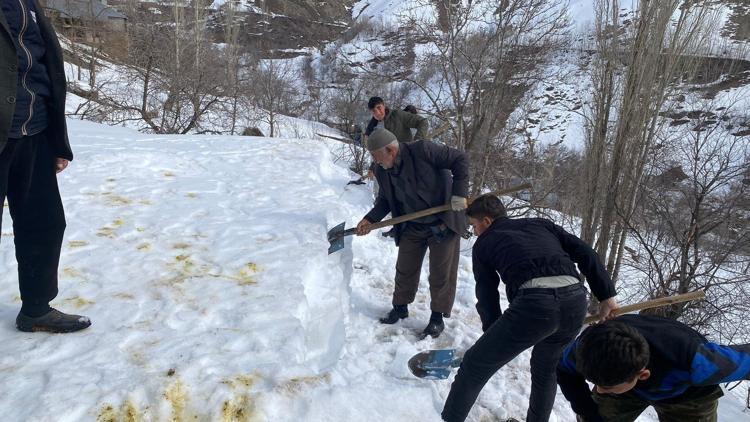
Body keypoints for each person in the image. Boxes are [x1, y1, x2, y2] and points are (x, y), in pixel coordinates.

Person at [442, 194, 618, 422]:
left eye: (474, 226)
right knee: (546, 370)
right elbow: (586, 253)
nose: (474, 232)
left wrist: (492, 335)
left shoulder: (484, 243)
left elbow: (486, 295)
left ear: (486, 221)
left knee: (474, 366)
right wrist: (606, 295)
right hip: (575, 302)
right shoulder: (541, 224)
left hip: (536, 304)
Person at [1, 0, 91, 332]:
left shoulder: (28, 3)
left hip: (34, 132)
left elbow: (45, 69)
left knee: (45, 224)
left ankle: (36, 309)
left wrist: (56, 139)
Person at [355, 128, 468, 338]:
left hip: (442, 222)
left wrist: (459, 194)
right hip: (412, 225)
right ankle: (400, 307)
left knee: (441, 273)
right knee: (405, 268)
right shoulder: (382, 170)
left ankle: (437, 317)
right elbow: (385, 201)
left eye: (376, 156)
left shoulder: (423, 150)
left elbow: (460, 159)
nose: (375, 161)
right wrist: (370, 219)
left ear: (390, 149)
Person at [557, 314, 750, 422]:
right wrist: (589, 411)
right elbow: (564, 371)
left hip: (689, 396)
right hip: (623, 383)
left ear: (642, 375)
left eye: (605, 387)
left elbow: (745, 360)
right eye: (595, 383)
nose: (598, 390)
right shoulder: (586, 347)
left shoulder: (696, 363)